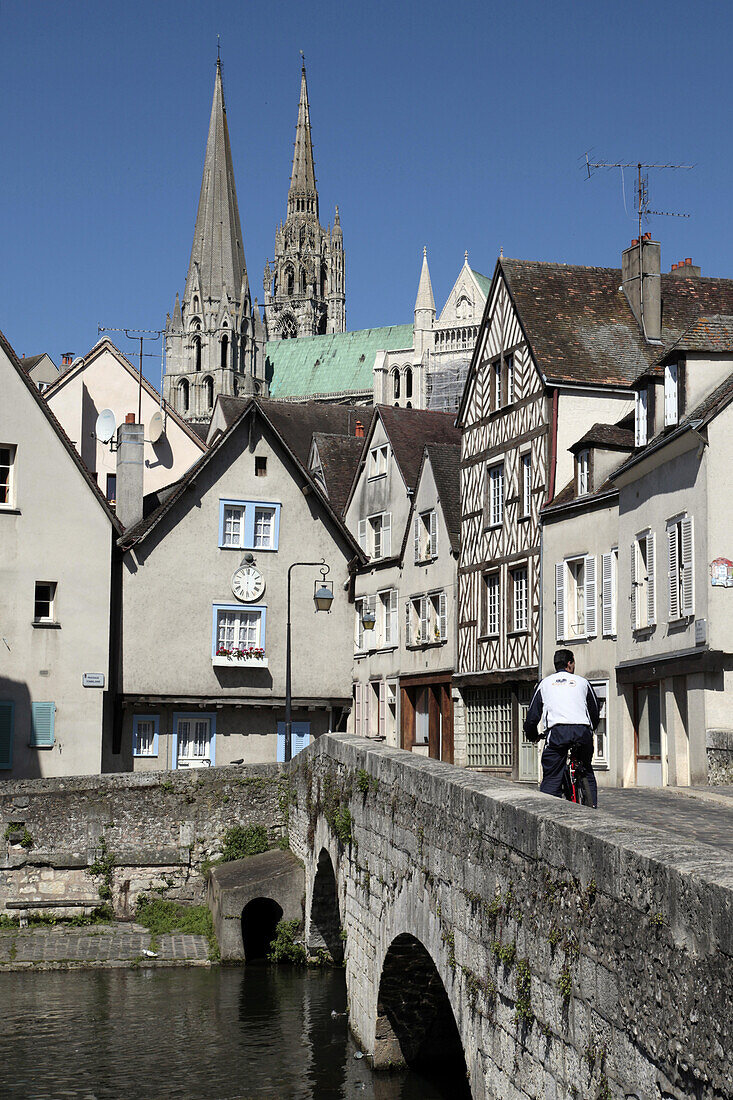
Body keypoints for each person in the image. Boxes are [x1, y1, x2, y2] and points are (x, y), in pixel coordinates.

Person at [523, 648, 600, 807]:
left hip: (557, 732)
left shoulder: (544, 683)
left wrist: (533, 736)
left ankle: (549, 813)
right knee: (586, 769)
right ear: (570, 663)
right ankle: (592, 809)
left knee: (552, 776)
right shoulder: (582, 682)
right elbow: (595, 710)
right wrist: (592, 729)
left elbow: (532, 717)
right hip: (582, 731)